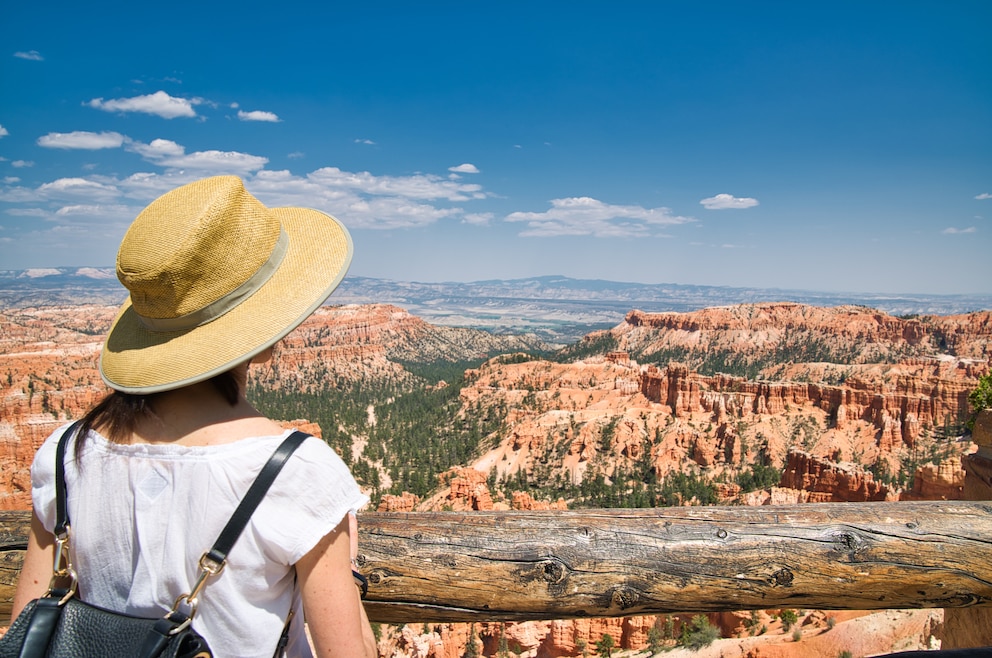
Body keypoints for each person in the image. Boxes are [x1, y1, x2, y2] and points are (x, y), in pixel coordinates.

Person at [12, 175, 377, 658]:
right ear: (265, 330)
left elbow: (28, 625)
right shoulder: (299, 472)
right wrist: (345, 570)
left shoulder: (64, 453)